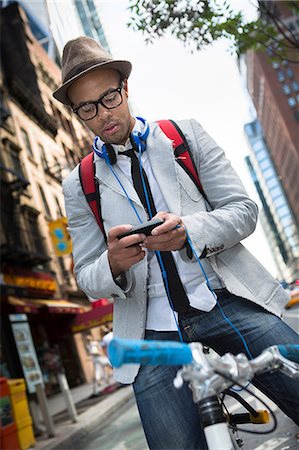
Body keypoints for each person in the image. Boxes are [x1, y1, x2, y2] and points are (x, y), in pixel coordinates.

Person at [53, 36, 299, 449]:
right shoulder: (78, 185)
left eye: (109, 97)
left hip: (223, 299)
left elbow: (243, 210)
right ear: (77, 114)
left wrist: (189, 232)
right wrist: (113, 263)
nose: (103, 114)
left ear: (125, 89)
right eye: (88, 108)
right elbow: (86, 277)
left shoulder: (184, 135)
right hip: (150, 331)